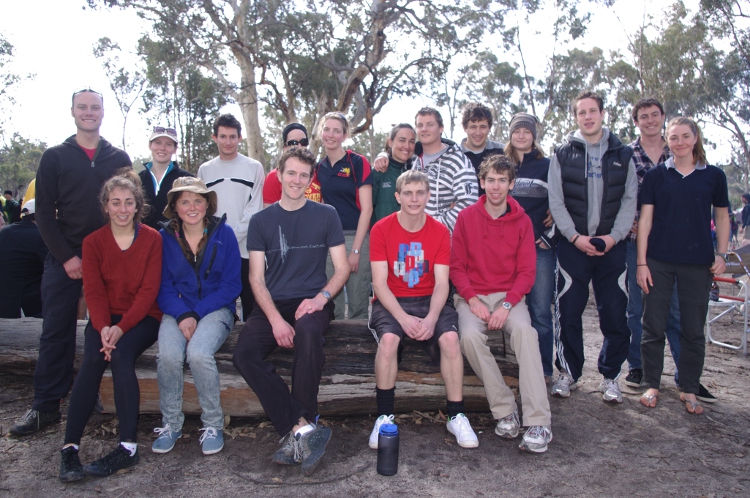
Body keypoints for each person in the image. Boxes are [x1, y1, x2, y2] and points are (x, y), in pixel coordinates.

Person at [11, 88, 132, 436]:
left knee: (108, 327)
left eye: (95, 107)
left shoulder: (117, 157)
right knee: (56, 330)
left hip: (109, 257)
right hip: (66, 256)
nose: (89, 112)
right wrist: (67, 257)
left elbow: (127, 208)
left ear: (103, 112)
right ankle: (45, 405)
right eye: (83, 107)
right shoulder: (55, 157)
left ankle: (95, 393)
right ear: (73, 111)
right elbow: (44, 215)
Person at [233, 147, 349, 475]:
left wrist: (321, 298)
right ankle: (302, 427)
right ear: (279, 174)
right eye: (291, 173)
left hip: (313, 300)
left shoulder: (326, 215)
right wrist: (274, 320)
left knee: (309, 334)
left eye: (303, 175)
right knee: (243, 354)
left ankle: (302, 428)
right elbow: (255, 279)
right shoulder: (261, 221)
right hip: (273, 302)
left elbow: (341, 269)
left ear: (310, 179)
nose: (296, 180)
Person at [58, 171, 162, 482]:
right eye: (115, 202)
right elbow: (94, 290)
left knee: (119, 356)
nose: (122, 209)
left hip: (143, 318)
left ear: (137, 205)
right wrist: (104, 327)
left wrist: (121, 329)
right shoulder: (93, 242)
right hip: (105, 318)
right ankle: (69, 448)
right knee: (92, 359)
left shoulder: (152, 239)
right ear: (105, 206)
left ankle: (128, 447)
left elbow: (148, 292)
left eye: (128, 202)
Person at [368, 169, 479, 450]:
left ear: (428, 196)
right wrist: (403, 318)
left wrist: (430, 318)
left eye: (420, 193)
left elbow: (443, 283)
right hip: (392, 299)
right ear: (397, 197)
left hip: (430, 298)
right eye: (408, 193)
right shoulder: (381, 228)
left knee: (451, 340)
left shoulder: (440, 232)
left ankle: (457, 415)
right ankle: (383, 416)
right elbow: (379, 284)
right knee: (390, 340)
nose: (414, 199)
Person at [452, 154, 552, 453]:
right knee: (469, 336)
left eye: (502, 181)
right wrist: (472, 300)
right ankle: (506, 408)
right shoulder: (466, 218)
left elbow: (527, 272)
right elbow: (456, 267)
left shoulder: (522, 221)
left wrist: (507, 305)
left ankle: (539, 421)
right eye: (490, 180)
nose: (496, 187)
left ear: (511, 184)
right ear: (482, 183)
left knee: (526, 333)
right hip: (473, 296)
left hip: (510, 297)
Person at [623, 98, 716, 402]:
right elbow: (621, 196)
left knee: (680, 316)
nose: (649, 121)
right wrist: (630, 226)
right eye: (643, 117)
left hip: (686, 254)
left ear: (662, 118)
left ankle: (685, 378)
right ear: (636, 121)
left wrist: (722, 252)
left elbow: (715, 208)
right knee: (641, 312)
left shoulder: (685, 155)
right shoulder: (628, 155)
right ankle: (641, 371)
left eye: (654, 115)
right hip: (641, 246)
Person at [547, 91, 637, 404]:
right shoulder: (562, 153)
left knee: (614, 312)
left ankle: (610, 376)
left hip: (612, 247)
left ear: (602, 114)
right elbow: (556, 201)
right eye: (581, 112)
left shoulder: (622, 153)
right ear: (576, 117)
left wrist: (613, 237)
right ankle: (568, 372)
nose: (588, 117)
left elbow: (629, 201)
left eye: (593, 111)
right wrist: (574, 237)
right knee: (568, 311)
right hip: (573, 246)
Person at [637, 117, 729, 415]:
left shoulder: (714, 176)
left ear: (695, 138)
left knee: (692, 329)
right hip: (658, 262)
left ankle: (689, 389)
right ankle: (652, 384)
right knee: (653, 325)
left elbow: (724, 217)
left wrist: (722, 254)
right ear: (667, 141)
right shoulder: (655, 176)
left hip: (698, 264)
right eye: (673, 138)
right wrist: (641, 262)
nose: (679, 143)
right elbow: (646, 221)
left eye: (685, 136)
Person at [151, 177, 241, 456]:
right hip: (177, 310)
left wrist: (197, 313)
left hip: (216, 309)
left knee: (199, 353)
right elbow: (162, 286)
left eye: (198, 200)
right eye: (185, 201)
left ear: (207, 204)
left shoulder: (223, 234)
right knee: (168, 355)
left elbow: (232, 285)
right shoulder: (164, 237)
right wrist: (182, 313)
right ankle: (171, 423)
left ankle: (213, 423)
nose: (192, 206)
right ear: (175, 206)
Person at [504, 113, 556, 382]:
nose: (522, 135)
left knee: (540, 311)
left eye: (527, 131)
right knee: (509, 308)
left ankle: (545, 369)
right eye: (517, 131)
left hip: (539, 248)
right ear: (510, 134)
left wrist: (549, 232)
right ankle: (516, 368)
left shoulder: (548, 165)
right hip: (506, 250)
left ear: (534, 135)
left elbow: (560, 202)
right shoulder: (502, 165)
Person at [197, 114, 264, 321]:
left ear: (240, 138)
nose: (228, 142)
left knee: (251, 306)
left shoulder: (254, 167)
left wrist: (231, 238)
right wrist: (217, 240)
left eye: (232, 137)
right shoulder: (205, 170)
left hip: (246, 249)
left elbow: (255, 209)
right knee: (218, 306)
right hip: (215, 250)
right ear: (214, 137)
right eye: (223, 136)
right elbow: (202, 210)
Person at [315, 112, 373, 320]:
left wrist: (356, 249)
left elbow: (367, 209)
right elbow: (318, 205)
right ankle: (335, 351)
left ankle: (360, 350)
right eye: (327, 129)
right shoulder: (318, 168)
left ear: (344, 135)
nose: (331, 135)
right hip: (329, 241)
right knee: (332, 303)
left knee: (358, 303)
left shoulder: (357, 162)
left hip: (354, 238)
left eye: (336, 131)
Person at [412, 107, 478, 233]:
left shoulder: (458, 161)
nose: (424, 129)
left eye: (430, 124)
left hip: (446, 239)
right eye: (420, 125)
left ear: (441, 128)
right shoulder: (414, 160)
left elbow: (469, 203)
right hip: (417, 237)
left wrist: (434, 227)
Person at [0, 200, 48, 318]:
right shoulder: (40, 236)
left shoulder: (5, 232)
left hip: (6, 299)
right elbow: (53, 263)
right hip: (31, 302)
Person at [138, 126, 193, 230]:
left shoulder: (187, 179)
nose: (162, 148)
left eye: (168, 144)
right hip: (144, 241)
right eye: (158, 142)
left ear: (175, 149)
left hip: (175, 241)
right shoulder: (138, 179)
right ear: (150, 145)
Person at [263, 123, 321, 207]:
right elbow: (268, 214)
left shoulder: (318, 173)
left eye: (303, 142)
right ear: (285, 147)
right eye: (293, 142)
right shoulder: (273, 177)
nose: (299, 146)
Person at [371, 123, 416, 225]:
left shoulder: (418, 172)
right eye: (402, 140)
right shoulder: (378, 171)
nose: (407, 146)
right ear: (390, 142)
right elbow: (366, 209)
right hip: (382, 237)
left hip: (411, 237)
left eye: (411, 141)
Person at [459, 102, 505, 195]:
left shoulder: (502, 151)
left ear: (489, 128)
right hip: (464, 208)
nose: (478, 132)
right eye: (473, 127)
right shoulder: (455, 154)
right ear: (465, 128)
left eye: (483, 127)